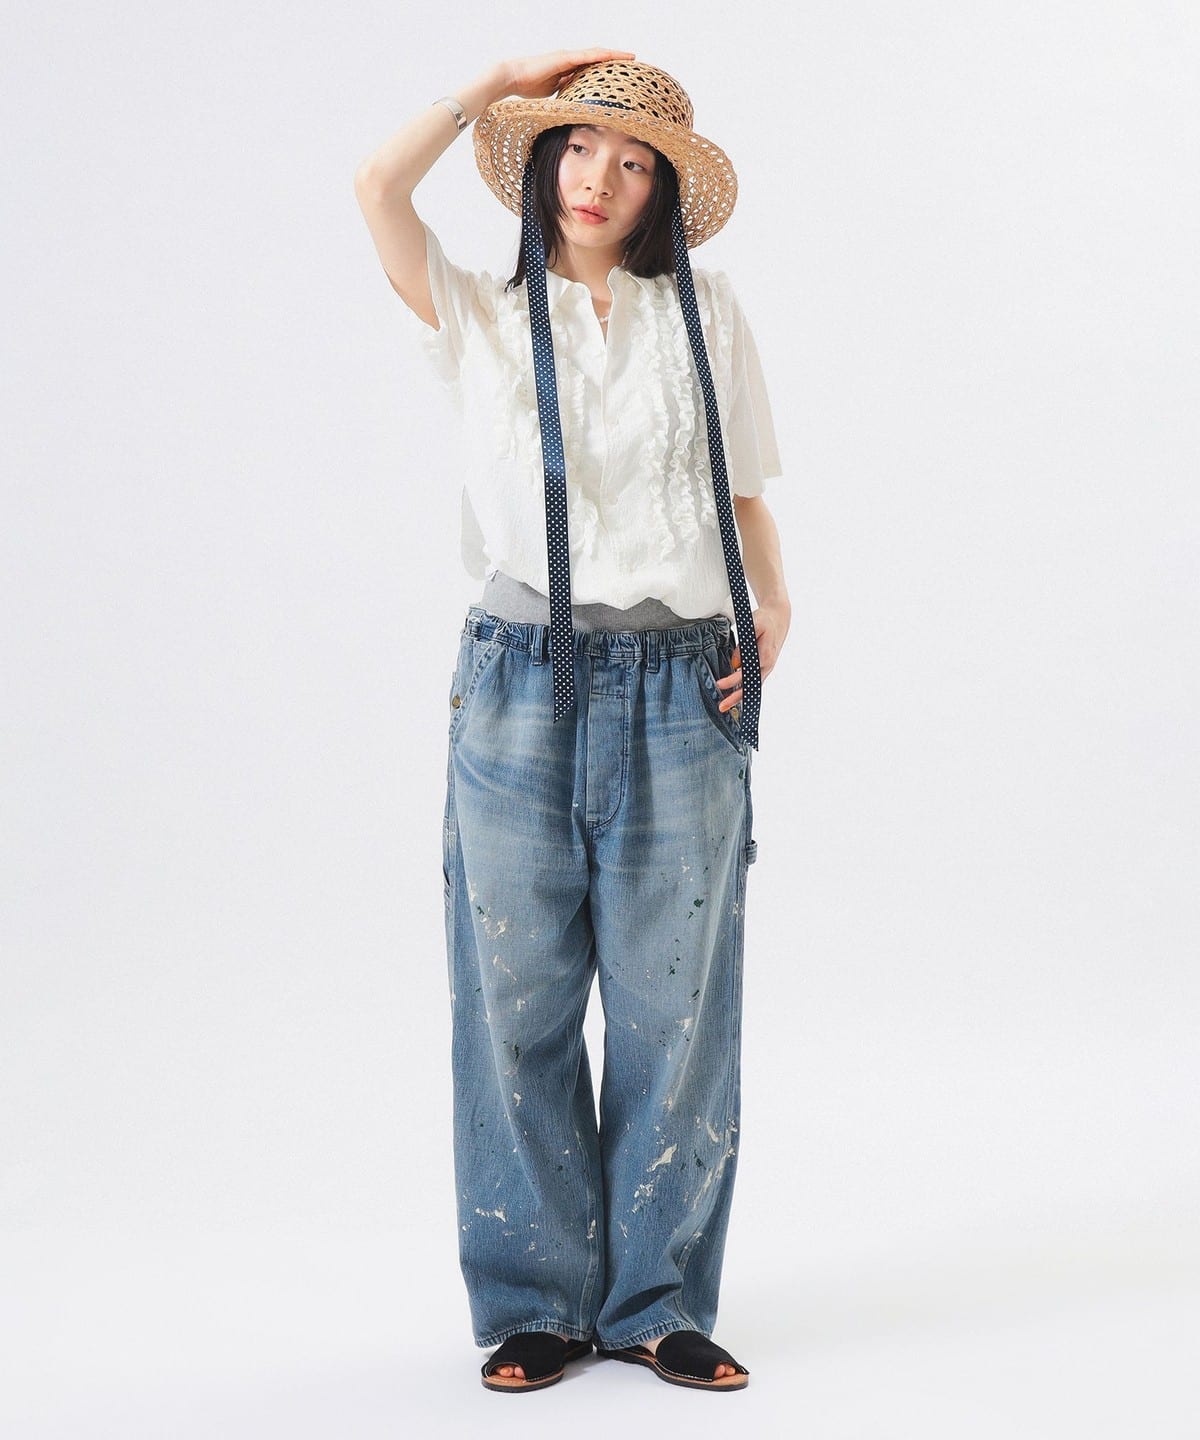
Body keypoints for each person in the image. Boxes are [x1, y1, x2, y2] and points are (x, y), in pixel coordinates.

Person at [354, 48, 790, 1393]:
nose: (601, 177)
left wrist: (775, 610)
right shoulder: (477, 311)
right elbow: (376, 188)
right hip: (519, 682)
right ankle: (536, 1302)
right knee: (514, 1004)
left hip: (680, 684)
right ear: (544, 161)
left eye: (634, 160)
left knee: (678, 1007)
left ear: (663, 191)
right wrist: (497, 83)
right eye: (581, 147)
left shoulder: (708, 312)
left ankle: (658, 1302)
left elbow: (746, 489)